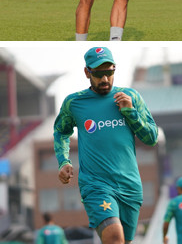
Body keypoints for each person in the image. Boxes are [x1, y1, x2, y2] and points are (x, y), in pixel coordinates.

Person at [54, 47, 158, 244]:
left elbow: (151, 138)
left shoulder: (131, 97)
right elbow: (60, 131)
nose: (104, 79)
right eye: (99, 74)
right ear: (87, 73)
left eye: (109, 72)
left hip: (130, 186)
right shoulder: (74, 102)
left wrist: (131, 112)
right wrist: (63, 161)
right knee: (114, 236)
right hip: (96, 185)